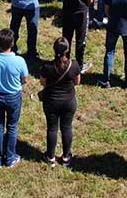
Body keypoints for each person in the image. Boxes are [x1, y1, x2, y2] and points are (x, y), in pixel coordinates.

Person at [0, 28, 29, 168]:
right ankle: (10, 157)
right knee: (12, 127)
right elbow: (25, 79)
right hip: (14, 96)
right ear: (12, 43)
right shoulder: (19, 61)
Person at [39, 37, 81, 166]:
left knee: (52, 129)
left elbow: (43, 82)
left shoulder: (47, 67)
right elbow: (77, 82)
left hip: (51, 102)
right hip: (69, 102)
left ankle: (50, 157)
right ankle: (66, 157)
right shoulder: (74, 65)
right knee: (66, 127)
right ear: (67, 50)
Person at [61, 0, 93, 69]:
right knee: (80, 39)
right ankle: (79, 65)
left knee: (66, 37)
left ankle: (64, 60)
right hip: (81, 14)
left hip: (67, 12)